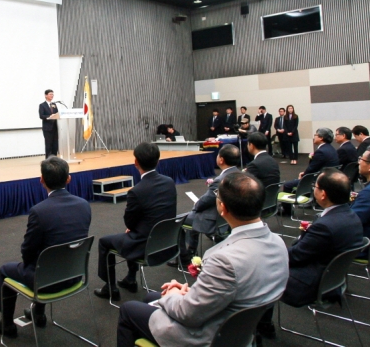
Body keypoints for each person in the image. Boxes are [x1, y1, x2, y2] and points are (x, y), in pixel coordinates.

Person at [116, 173, 288, 347]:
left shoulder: (224, 260)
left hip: (208, 336)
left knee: (128, 309)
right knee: (151, 297)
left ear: (223, 208)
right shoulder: (278, 243)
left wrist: (174, 296)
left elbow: (188, 314)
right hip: (240, 329)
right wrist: (188, 293)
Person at [0, 157, 91, 338]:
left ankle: (7, 325)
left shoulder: (39, 211)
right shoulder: (84, 205)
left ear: (41, 180)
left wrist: (30, 264)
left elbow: (27, 251)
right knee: (46, 258)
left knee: (6, 270)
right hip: (75, 275)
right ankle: (38, 313)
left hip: (45, 281)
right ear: (68, 179)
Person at [260, 169, 363, 331]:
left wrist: (269, 254)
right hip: (331, 277)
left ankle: (261, 326)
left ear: (323, 195)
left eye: (315, 186)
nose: (313, 188)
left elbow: (294, 257)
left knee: (261, 270)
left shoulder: (325, 226)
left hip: (311, 283)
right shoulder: (351, 216)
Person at [95, 143, 177, 300]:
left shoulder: (137, 191)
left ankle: (110, 287)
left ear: (136, 162)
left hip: (146, 245)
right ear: (158, 161)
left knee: (104, 242)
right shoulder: (169, 182)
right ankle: (130, 278)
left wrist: (132, 228)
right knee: (133, 233)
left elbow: (129, 222)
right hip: (167, 242)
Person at [169, 144, 240, 267]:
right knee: (192, 215)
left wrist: (196, 205)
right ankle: (191, 250)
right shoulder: (239, 174)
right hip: (228, 216)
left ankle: (185, 257)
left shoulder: (220, 180)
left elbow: (204, 201)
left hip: (214, 218)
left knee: (178, 220)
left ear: (221, 159)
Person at [283, 128, 339, 193]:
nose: (314, 137)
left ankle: (289, 202)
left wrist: (303, 176)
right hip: (329, 176)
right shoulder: (331, 148)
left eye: (315, 135)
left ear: (321, 138)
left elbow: (312, 168)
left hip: (319, 179)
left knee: (287, 185)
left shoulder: (321, 151)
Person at [38, 89, 58, 158]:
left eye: (52, 94)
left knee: (55, 145)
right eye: (50, 94)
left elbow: (57, 114)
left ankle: (54, 158)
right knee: (48, 144)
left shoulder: (54, 104)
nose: (52, 95)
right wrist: (49, 116)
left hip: (55, 127)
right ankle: (48, 160)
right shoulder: (42, 105)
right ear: (46, 95)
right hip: (47, 128)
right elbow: (41, 116)